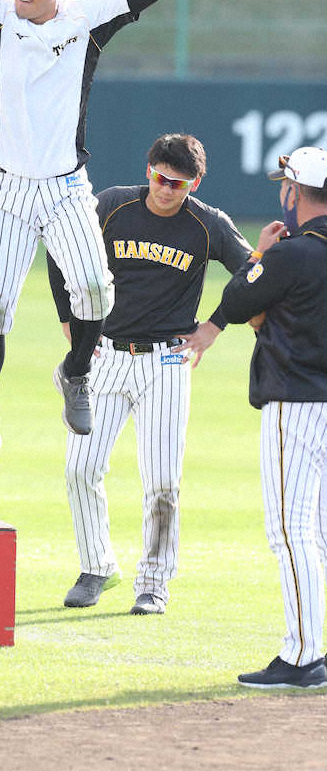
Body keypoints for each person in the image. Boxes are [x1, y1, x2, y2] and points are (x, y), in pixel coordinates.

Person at [0, 0, 184, 476]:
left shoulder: (84, 20)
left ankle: (75, 371)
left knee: (96, 290)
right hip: (4, 190)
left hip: (65, 189)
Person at [47, 135, 252, 614]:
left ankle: (154, 583)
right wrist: (68, 316)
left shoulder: (207, 224)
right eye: (159, 177)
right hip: (104, 356)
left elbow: (252, 274)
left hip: (166, 360)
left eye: (177, 183)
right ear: (149, 170)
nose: (165, 189)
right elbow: (61, 252)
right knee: (80, 467)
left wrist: (214, 327)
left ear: (193, 183)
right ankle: (97, 566)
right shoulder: (112, 206)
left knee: (162, 479)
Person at [219, 146, 327, 689]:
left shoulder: (292, 254)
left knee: (291, 531)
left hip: (297, 404)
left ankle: (304, 655)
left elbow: (238, 301)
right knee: (322, 532)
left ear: (294, 191)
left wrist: (256, 256)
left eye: (284, 185)